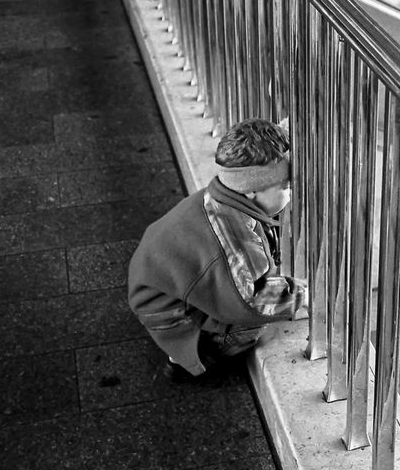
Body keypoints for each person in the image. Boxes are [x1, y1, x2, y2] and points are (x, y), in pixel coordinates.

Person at [127, 118, 306, 382]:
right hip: (171, 314)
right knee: (255, 323)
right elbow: (249, 302)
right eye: (285, 188)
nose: (290, 195)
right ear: (254, 190)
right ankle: (189, 358)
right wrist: (302, 294)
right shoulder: (231, 235)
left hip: (160, 291)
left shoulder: (222, 196)